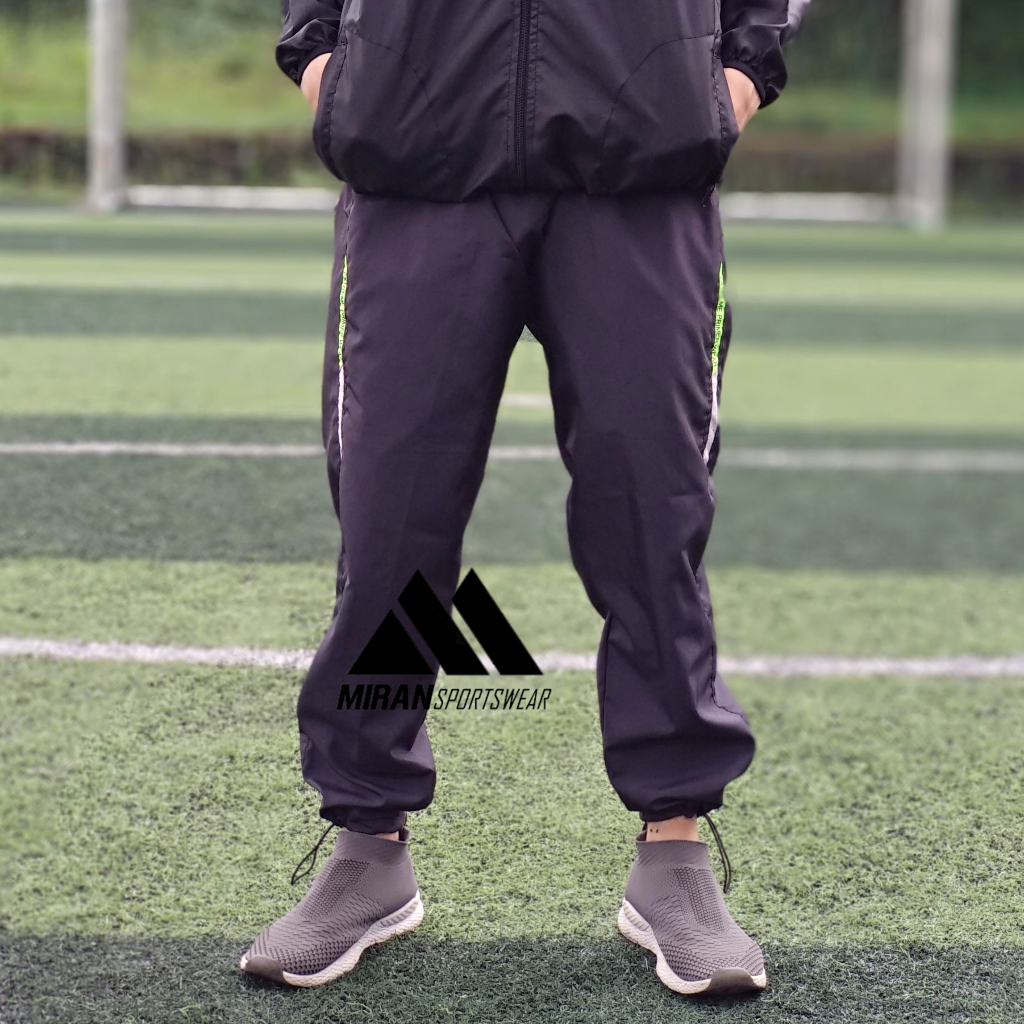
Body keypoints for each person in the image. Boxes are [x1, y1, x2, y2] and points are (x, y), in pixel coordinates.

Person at [240, 0, 806, 996]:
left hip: (643, 167)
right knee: (392, 532)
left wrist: (737, 76)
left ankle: (673, 851)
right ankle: (368, 843)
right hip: (415, 159)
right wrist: (325, 57)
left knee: (651, 526)